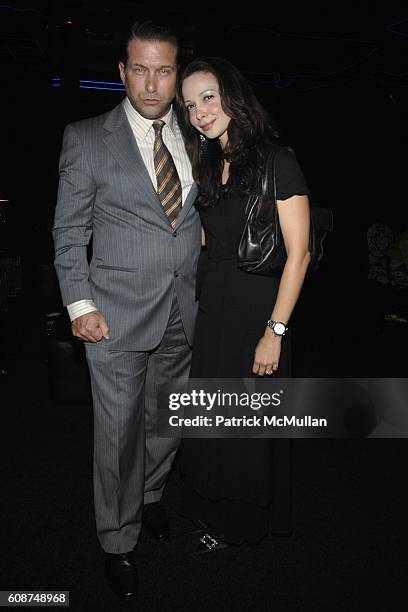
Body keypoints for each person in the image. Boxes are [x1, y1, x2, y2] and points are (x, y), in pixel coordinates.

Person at [52, 21, 200, 600]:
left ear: (176, 74)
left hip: (185, 309)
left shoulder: (201, 133)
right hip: (111, 315)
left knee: (168, 420)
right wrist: (79, 304)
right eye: (140, 68)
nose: (151, 82)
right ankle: (117, 540)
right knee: (116, 433)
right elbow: (68, 231)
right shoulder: (86, 137)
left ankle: (151, 496)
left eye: (164, 70)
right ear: (121, 71)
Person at [175, 57, 311, 549]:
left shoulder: (278, 160)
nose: (200, 112)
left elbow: (300, 254)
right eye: (189, 105)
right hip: (216, 310)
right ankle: (210, 510)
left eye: (207, 97)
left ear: (232, 95)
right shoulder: (209, 164)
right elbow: (210, 245)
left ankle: (245, 525)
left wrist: (274, 332)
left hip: (260, 311)